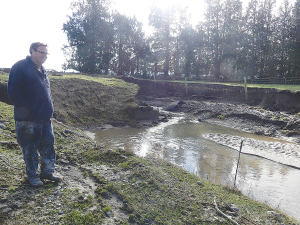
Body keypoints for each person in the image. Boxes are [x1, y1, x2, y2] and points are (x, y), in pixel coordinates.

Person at [7, 42, 62, 187]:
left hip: (45, 117)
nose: (45, 56)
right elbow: (13, 91)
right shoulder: (20, 67)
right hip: (28, 119)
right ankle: (32, 176)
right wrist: (26, 108)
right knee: (29, 148)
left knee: (48, 145)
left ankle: (47, 172)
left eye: (46, 53)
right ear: (33, 51)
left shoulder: (43, 69)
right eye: (41, 52)